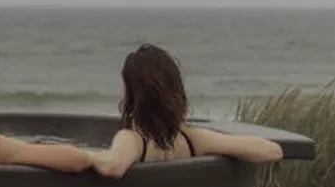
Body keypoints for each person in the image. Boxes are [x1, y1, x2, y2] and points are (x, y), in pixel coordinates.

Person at [90, 43, 284, 178]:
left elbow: (112, 166)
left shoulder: (131, 140)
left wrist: (85, 157)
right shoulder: (193, 139)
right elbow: (272, 150)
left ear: (130, 92)